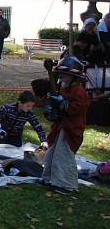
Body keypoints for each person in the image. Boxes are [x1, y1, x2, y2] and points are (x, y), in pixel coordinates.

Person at [42, 56, 90, 194]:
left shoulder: (79, 92)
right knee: (52, 152)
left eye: (65, 75)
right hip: (61, 126)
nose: (62, 76)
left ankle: (66, 184)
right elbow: (56, 99)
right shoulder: (64, 88)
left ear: (73, 77)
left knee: (63, 155)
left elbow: (77, 109)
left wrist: (63, 104)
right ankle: (50, 178)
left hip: (71, 128)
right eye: (61, 74)